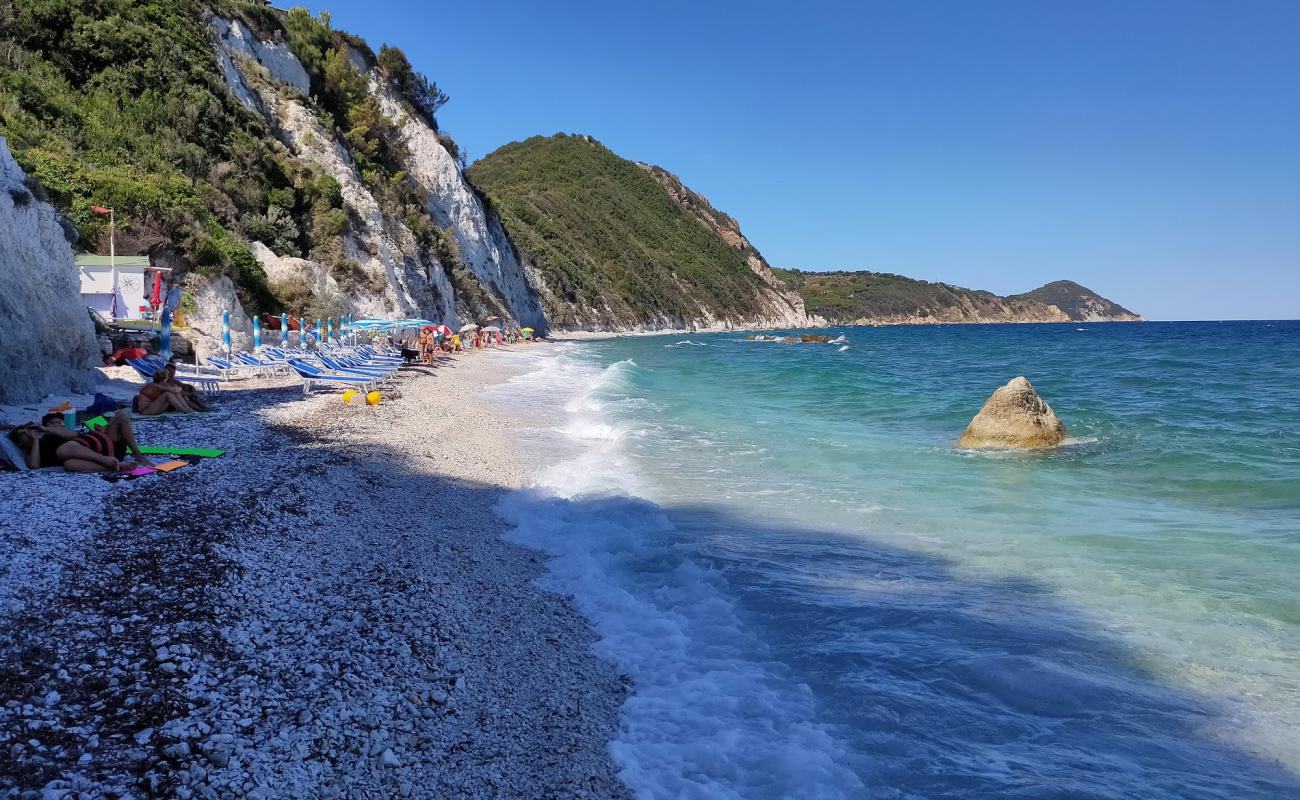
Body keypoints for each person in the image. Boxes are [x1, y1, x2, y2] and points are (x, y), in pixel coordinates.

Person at [8, 410, 151, 472]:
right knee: (70, 464)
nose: (27, 433)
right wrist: (35, 441)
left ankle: (138, 455)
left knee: (121, 416)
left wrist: (45, 429)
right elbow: (34, 466)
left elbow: (74, 435)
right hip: (104, 458)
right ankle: (115, 466)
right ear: (20, 443)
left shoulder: (49, 434)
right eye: (23, 434)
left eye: (26, 429)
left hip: (98, 443)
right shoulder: (31, 451)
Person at [134, 370, 203, 415]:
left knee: (175, 393)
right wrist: (178, 388)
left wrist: (178, 388)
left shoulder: (163, 384)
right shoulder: (154, 385)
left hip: (154, 407)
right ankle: (185, 410)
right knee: (167, 394)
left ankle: (189, 409)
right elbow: (175, 389)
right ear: (165, 378)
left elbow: (178, 389)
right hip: (146, 410)